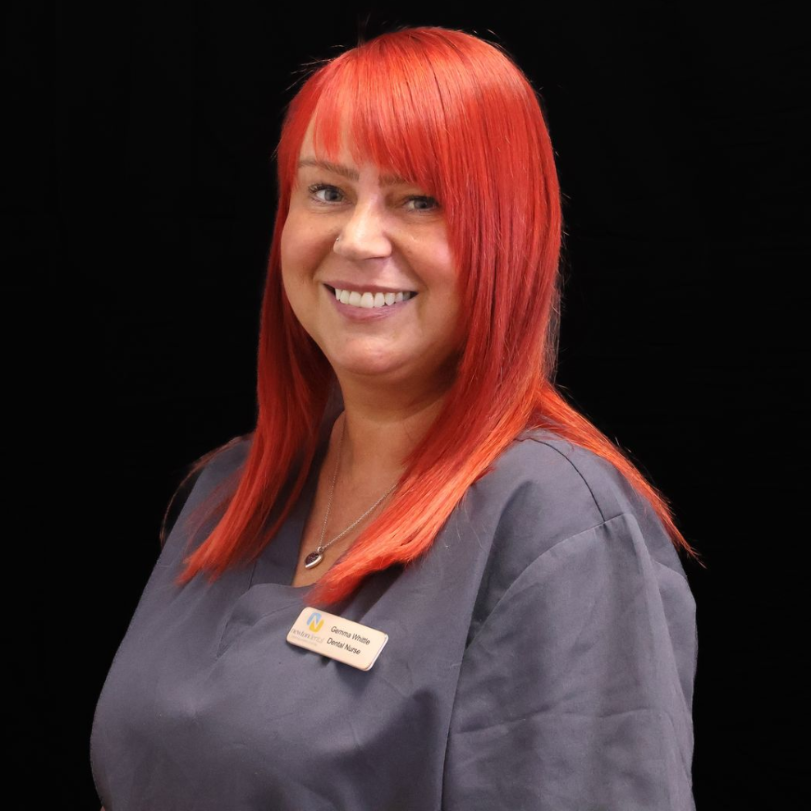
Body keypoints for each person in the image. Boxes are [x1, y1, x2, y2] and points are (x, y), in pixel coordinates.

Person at [90, 24, 700, 810]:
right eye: (327, 192)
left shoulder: (556, 525)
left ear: (507, 235)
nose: (358, 239)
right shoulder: (230, 487)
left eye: (419, 200)